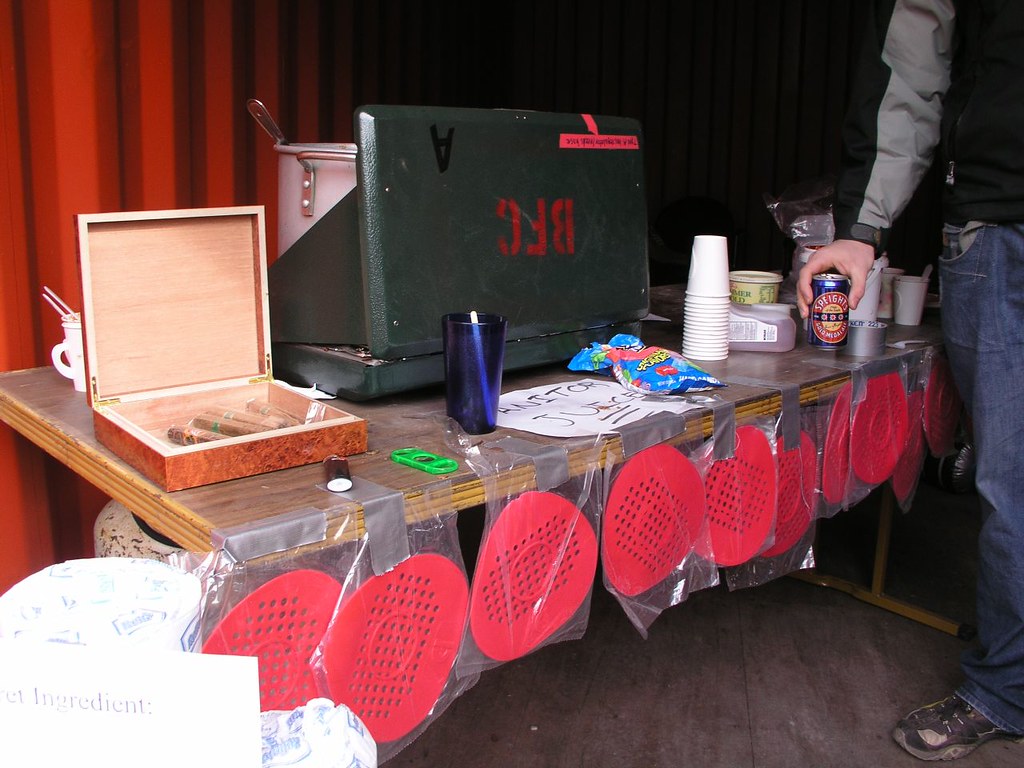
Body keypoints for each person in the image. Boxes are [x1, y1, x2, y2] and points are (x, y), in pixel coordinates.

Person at [796, 0, 1024, 761]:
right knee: (1012, 480)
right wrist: (862, 232)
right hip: (1001, 222)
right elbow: (911, 63)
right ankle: (1009, 686)